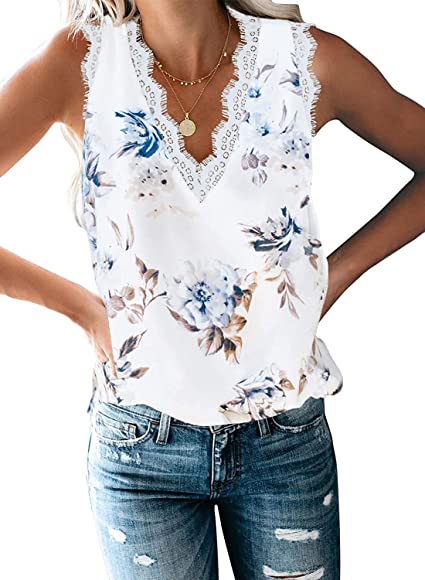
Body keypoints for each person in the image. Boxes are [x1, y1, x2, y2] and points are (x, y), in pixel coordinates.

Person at [1, 1, 424, 578]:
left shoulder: (303, 60)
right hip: (139, 448)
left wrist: (335, 274)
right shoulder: (80, 62)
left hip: (283, 440)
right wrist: (78, 306)